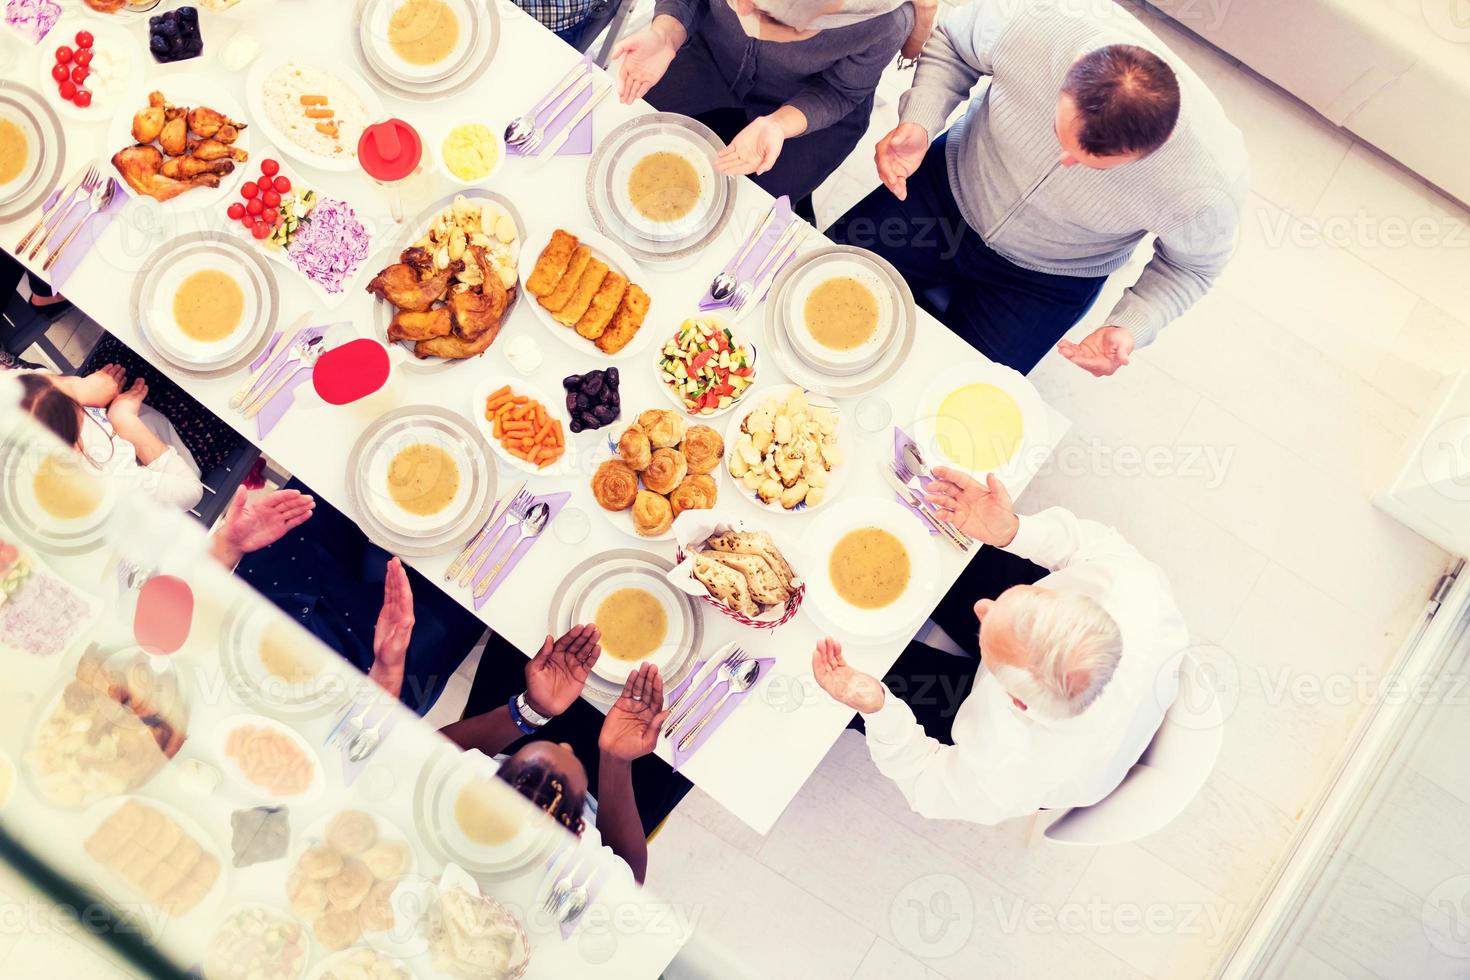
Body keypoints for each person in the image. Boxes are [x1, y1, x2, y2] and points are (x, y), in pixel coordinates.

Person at [829, 0, 1248, 376]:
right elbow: (954, 44)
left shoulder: (1206, 183)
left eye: (1091, 164)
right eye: (1059, 134)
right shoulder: (1038, 18)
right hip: (945, 190)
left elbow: (1192, 266)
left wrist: (1132, 322)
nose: (1065, 160)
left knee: (960, 399)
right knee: (817, 276)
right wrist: (920, 119)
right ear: (1075, 64)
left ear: (1153, 149)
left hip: (1047, 277)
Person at [812, 467, 1189, 824]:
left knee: (843, 676)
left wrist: (878, 709)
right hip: (1096, 689)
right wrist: (1013, 531)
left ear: (1016, 701)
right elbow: (1087, 545)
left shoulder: (1007, 771)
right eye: (1017, 598)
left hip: (1043, 754)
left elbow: (925, 779)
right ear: (1078, 599)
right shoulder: (1134, 591)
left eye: (990, 636)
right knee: (938, 549)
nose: (983, 606)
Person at [613, 0, 921, 220]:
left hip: (810, 105)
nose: (739, 7)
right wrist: (667, 34)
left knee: (755, 212)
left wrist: (779, 124)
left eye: (769, 14)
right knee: (625, 137)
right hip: (710, 59)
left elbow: (841, 91)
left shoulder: (887, 20)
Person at [207, 479, 485, 714]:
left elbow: (175, 610)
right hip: (370, 674)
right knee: (484, 559)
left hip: (271, 591)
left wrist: (226, 547)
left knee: (358, 473)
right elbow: (362, 748)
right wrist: (389, 665)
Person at [441, 626, 670, 883]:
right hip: (612, 805)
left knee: (541, 626)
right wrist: (616, 761)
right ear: (578, 827)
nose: (564, 745)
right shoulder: (577, 889)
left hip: (501, 741)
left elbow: (435, 750)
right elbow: (629, 874)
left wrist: (529, 709)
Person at [17, 368, 204, 511]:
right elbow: (190, 491)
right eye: (70, 392)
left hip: (120, 412)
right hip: (171, 463)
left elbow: (30, 378)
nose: (70, 381)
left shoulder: (27, 409)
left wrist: (82, 391)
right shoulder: (110, 480)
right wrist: (125, 421)